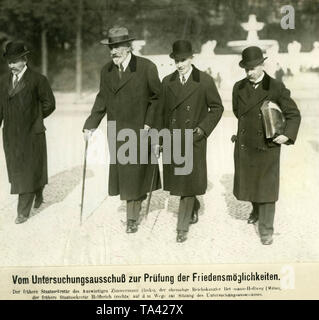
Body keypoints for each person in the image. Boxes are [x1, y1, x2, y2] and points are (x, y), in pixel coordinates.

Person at [83, 26, 161, 233]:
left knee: (133, 174)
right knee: (130, 175)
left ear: (128, 47)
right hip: (116, 131)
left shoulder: (146, 67)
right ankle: (136, 204)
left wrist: (149, 124)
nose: (113, 51)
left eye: (117, 46)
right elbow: (102, 99)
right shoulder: (107, 70)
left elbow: (157, 98)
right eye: (111, 47)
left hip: (139, 129)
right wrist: (90, 124)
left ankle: (131, 219)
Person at [232, 46, 301, 245]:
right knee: (251, 182)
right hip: (246, 144)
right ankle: (255, 210)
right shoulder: (239, 87)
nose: (250, 72)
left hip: (267, 145)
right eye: (246, 69)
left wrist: (286, 135)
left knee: (267, 188)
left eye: (253, 67)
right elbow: (238, 112)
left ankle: (266, 230)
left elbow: (293, 114)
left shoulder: (276, 86)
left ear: (263, 64)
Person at [160, 40, 224, 243]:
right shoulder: (167, 81)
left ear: (191, 58)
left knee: (187, 183)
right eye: (176, 60)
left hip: (193, 138)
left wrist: (203, 129)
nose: (179, 64)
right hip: (172, 138)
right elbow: (160, 112)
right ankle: (193, 205)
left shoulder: (204, 81)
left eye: (183, 60)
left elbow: (217, 108)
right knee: (179, 181)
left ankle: (182, 226)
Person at [0, 41, 55, 224]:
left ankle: (22, 212)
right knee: (17, 169)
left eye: (14, 61)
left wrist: (36, 118)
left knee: (26, 170)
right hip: (10, 134)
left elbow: (50, 104)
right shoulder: (4, 82)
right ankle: (38, 189)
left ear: (24, 60)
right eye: (9, 62)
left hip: (31, 133)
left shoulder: (38, 80)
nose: (11, 66)